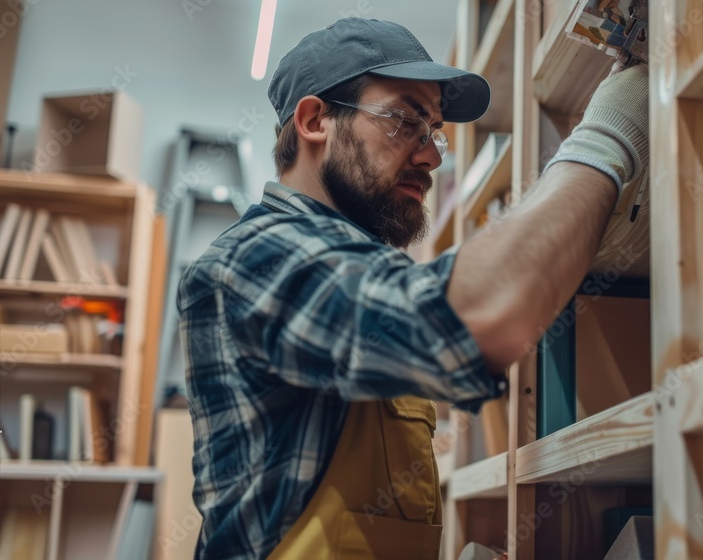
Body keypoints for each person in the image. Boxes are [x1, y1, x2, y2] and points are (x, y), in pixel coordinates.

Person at [178, 17, 648, 560]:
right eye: (404, 121)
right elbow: (478, 317)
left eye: (434, 132)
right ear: (313, 121)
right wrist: (611, 135)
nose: (432, 156)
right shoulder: (255, 259)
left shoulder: (352, 272)